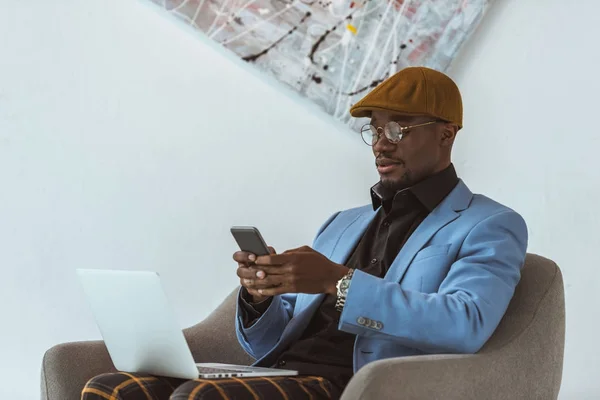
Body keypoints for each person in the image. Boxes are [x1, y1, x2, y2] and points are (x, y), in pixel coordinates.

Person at [82, 67, 527, 399]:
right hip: (283, 372)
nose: (380, 143)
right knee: (109, 389)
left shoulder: (488, 224)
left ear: (446, 134)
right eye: (373, 129)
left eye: (397, 128)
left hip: (353, 384)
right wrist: (261, 297)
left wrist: (337, 281)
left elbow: (465, 323)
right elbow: (271, 338)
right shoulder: (344, 222)